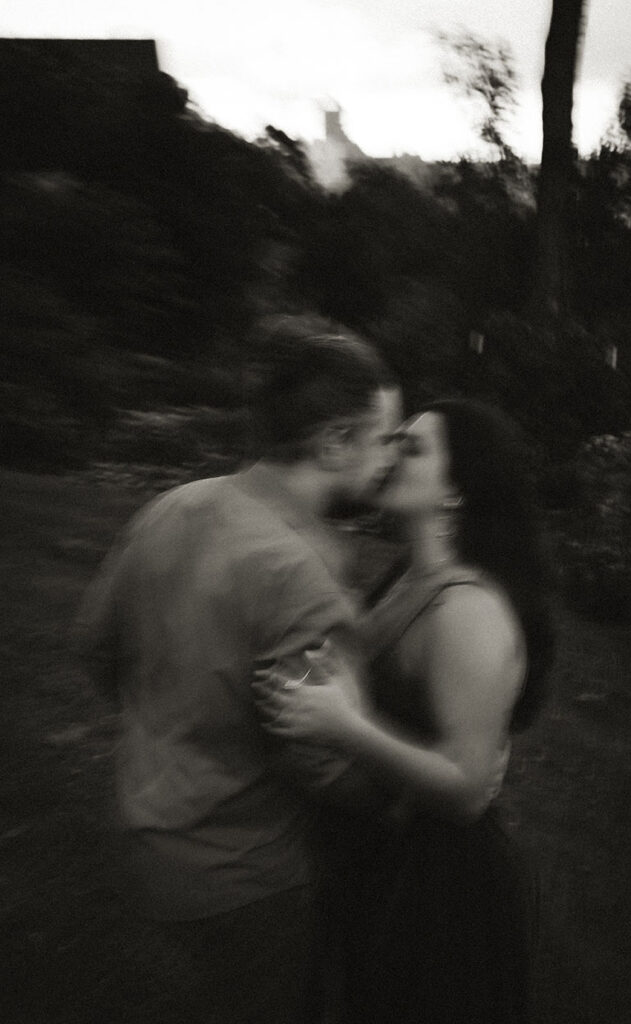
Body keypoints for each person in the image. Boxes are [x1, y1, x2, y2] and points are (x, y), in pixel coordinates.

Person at [74, 313, 403, 1024]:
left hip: (142, 841)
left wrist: (173, 712)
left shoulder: (173, 506)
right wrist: (398, 797)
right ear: (335, 441)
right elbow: (319, 764)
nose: (391, 460)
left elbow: (95, 644)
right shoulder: (304, 576)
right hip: (245, 882)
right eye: (383, 440)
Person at [255, 398, 554, 1024]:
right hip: (380, 856)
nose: (388, 455)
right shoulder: (406, 579)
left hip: (439, 891)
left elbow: (468, 792)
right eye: (394, 440)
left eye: (412, 448)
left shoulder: (468, 611)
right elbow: (355, 678)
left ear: (455, 492)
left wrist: (346, 727)